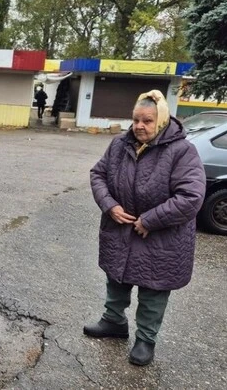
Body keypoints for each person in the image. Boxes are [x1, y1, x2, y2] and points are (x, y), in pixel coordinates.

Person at [85, 90, 205, 366]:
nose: (140, 126)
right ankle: (113, 322)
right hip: (120, 229)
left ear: (161, 121)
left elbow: (191, 197)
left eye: (148, 121)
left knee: (153, 290)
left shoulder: (182, 151)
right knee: (116, 278)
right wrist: (110, 205)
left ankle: (145, 340)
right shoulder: (119, 145)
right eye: (136, 119)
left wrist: (150, 220)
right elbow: (98, 174)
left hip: (162, 237)